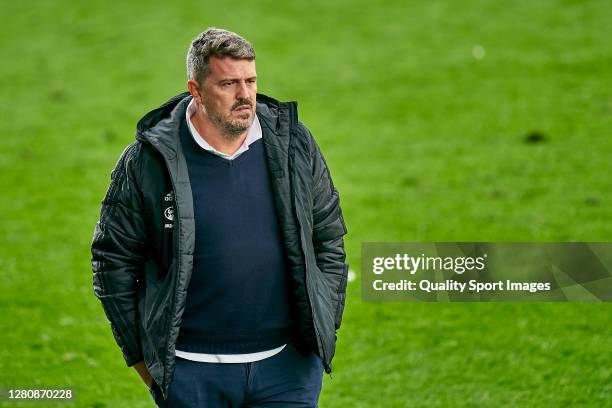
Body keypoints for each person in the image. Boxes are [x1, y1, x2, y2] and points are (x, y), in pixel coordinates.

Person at [91, 27, 348, 407]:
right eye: (228, 83)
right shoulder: (148, 161)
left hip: (287, 371)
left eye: (251, 80)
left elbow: (328, 239)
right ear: (195, 89)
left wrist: (323, 325)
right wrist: (145, 364)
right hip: (191, 376)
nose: (245, 95)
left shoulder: (294, 145)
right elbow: (113, 260)